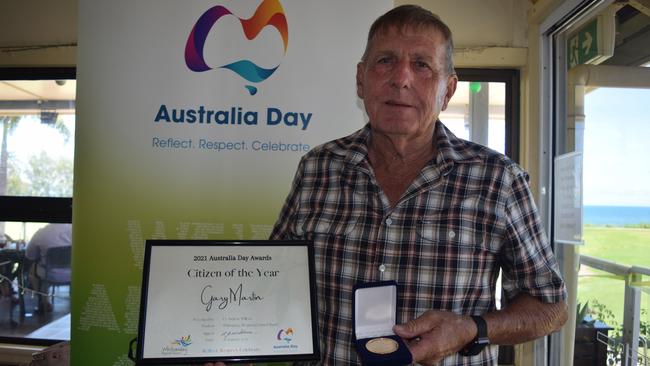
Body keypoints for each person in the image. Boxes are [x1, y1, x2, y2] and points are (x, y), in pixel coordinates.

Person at [207, 5, 567, 365]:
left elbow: (550, 307)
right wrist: (225, 343)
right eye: (385, 61)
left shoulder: (497, 181)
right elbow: (273, 281)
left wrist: (473, 328)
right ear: (361, 80)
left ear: (448, 90)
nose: (401, 78)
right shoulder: (318, 169)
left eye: (422, 65)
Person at [24, 223, 72, 312]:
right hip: (74, 275)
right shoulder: (75, 229)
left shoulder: (41, 233)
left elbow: (30, 256)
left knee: (32, 270)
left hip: (49, 274)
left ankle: (44, 302)